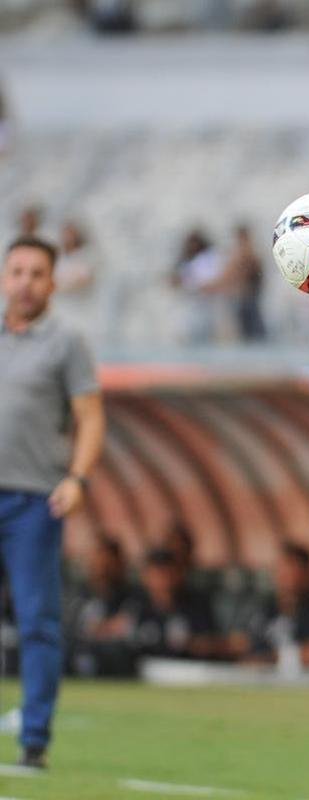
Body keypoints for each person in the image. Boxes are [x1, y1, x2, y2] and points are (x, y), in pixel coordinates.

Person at [0, 235, 105, 769]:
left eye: (36, 273)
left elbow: (90, 417)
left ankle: (34, 740)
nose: (25, 282)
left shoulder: (66, 342)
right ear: (3, 278)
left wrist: (78, 478)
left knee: (37, 620)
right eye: (16, 271)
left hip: (33, 502)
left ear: (52, 282)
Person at [229, 543, 309, 668]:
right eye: (281, 568)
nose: (284, 575)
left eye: (291, 568)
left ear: (307, 574)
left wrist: (270, 659)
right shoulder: (265, 608)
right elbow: (241, 642)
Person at [129, 547, 221, 661]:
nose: (162, 581)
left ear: (179, 574)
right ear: (145, 577)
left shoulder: (196, 605)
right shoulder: (136, 606)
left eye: (166, 574)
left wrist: (191, 644)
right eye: (156, 575)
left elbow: (214, 643)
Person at [67, 536, 138, 677]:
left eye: (108, 562)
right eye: (98, 561)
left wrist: (101, 629)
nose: (102, 568)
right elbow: (73, 630)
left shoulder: (133, 596)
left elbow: (127, 628)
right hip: (79, 657)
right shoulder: (78, 596)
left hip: (119, 662)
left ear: (119, 563)